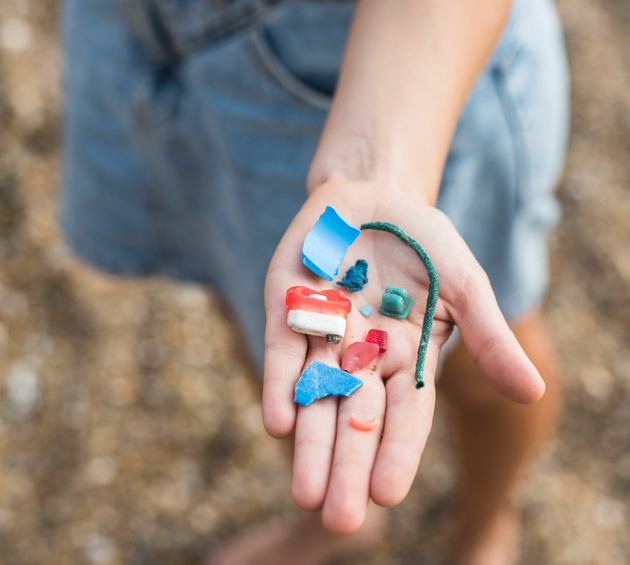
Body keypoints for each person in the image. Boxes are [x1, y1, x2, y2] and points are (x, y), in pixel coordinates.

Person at [61, 0, 569, 563]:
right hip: (132, 36)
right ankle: (337, 522)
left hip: (395, 77)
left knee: (479, 369)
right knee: (257, 318)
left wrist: (375, 172)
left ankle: (486, 522)